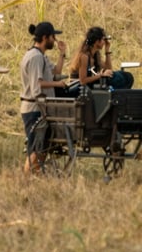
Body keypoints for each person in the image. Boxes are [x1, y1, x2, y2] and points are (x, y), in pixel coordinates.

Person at [20, 21, 68, 173]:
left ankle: (34, 177)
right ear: (45, 37)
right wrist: (57, 85)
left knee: (42, 147)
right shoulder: (35, 57)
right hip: (34, 108)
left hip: (39, 108)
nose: (54, 40)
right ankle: (25, 179)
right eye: (53, 37)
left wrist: (62, 53)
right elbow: (38, 85)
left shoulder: (41, 56)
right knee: (35, 148)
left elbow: (56, 71)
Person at [68, 26, 134, 90]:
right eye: (103, 39)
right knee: (116, 79)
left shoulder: (95, 55)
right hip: (77, 88)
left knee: (126, 76)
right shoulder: (84, 56)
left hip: (87, 86)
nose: (104, 42)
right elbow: (83, 81)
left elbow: (108, 69)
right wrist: (101, 75)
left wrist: (107, 50)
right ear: (97, 41)